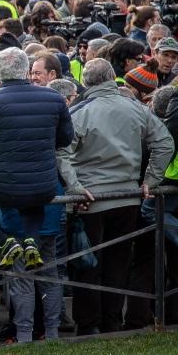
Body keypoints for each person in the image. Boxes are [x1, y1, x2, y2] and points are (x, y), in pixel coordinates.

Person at [57, 58, 174, 335]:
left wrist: (73, 186)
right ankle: (111, 322)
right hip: (128, 196)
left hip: (90, 199)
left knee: (88, 264)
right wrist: (150, 180)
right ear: (112, 77)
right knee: (118, 262)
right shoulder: (135, 108)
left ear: (85, 81)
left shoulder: (79, 112)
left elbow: (61, 152)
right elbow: (164, 143)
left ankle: (88, 325)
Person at [0, 48, 72, 269]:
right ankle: (31, 241)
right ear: (26, 71)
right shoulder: (54, 98)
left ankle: (3, 242)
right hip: (44, 185)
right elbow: (65, 139)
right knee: (33, 200)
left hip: (2, 186)